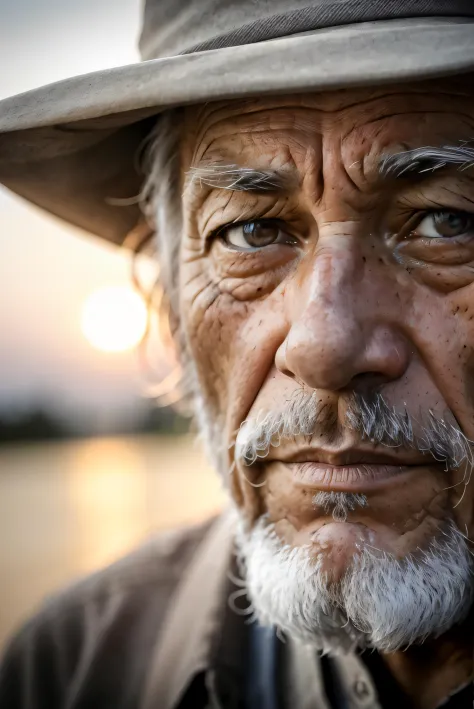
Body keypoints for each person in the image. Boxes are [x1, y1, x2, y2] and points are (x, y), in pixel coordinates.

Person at [0, 2, 474, 707]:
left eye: (447, 221)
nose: (324, 345)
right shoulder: (68, 669)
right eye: (250, 231)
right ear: (165, 298)